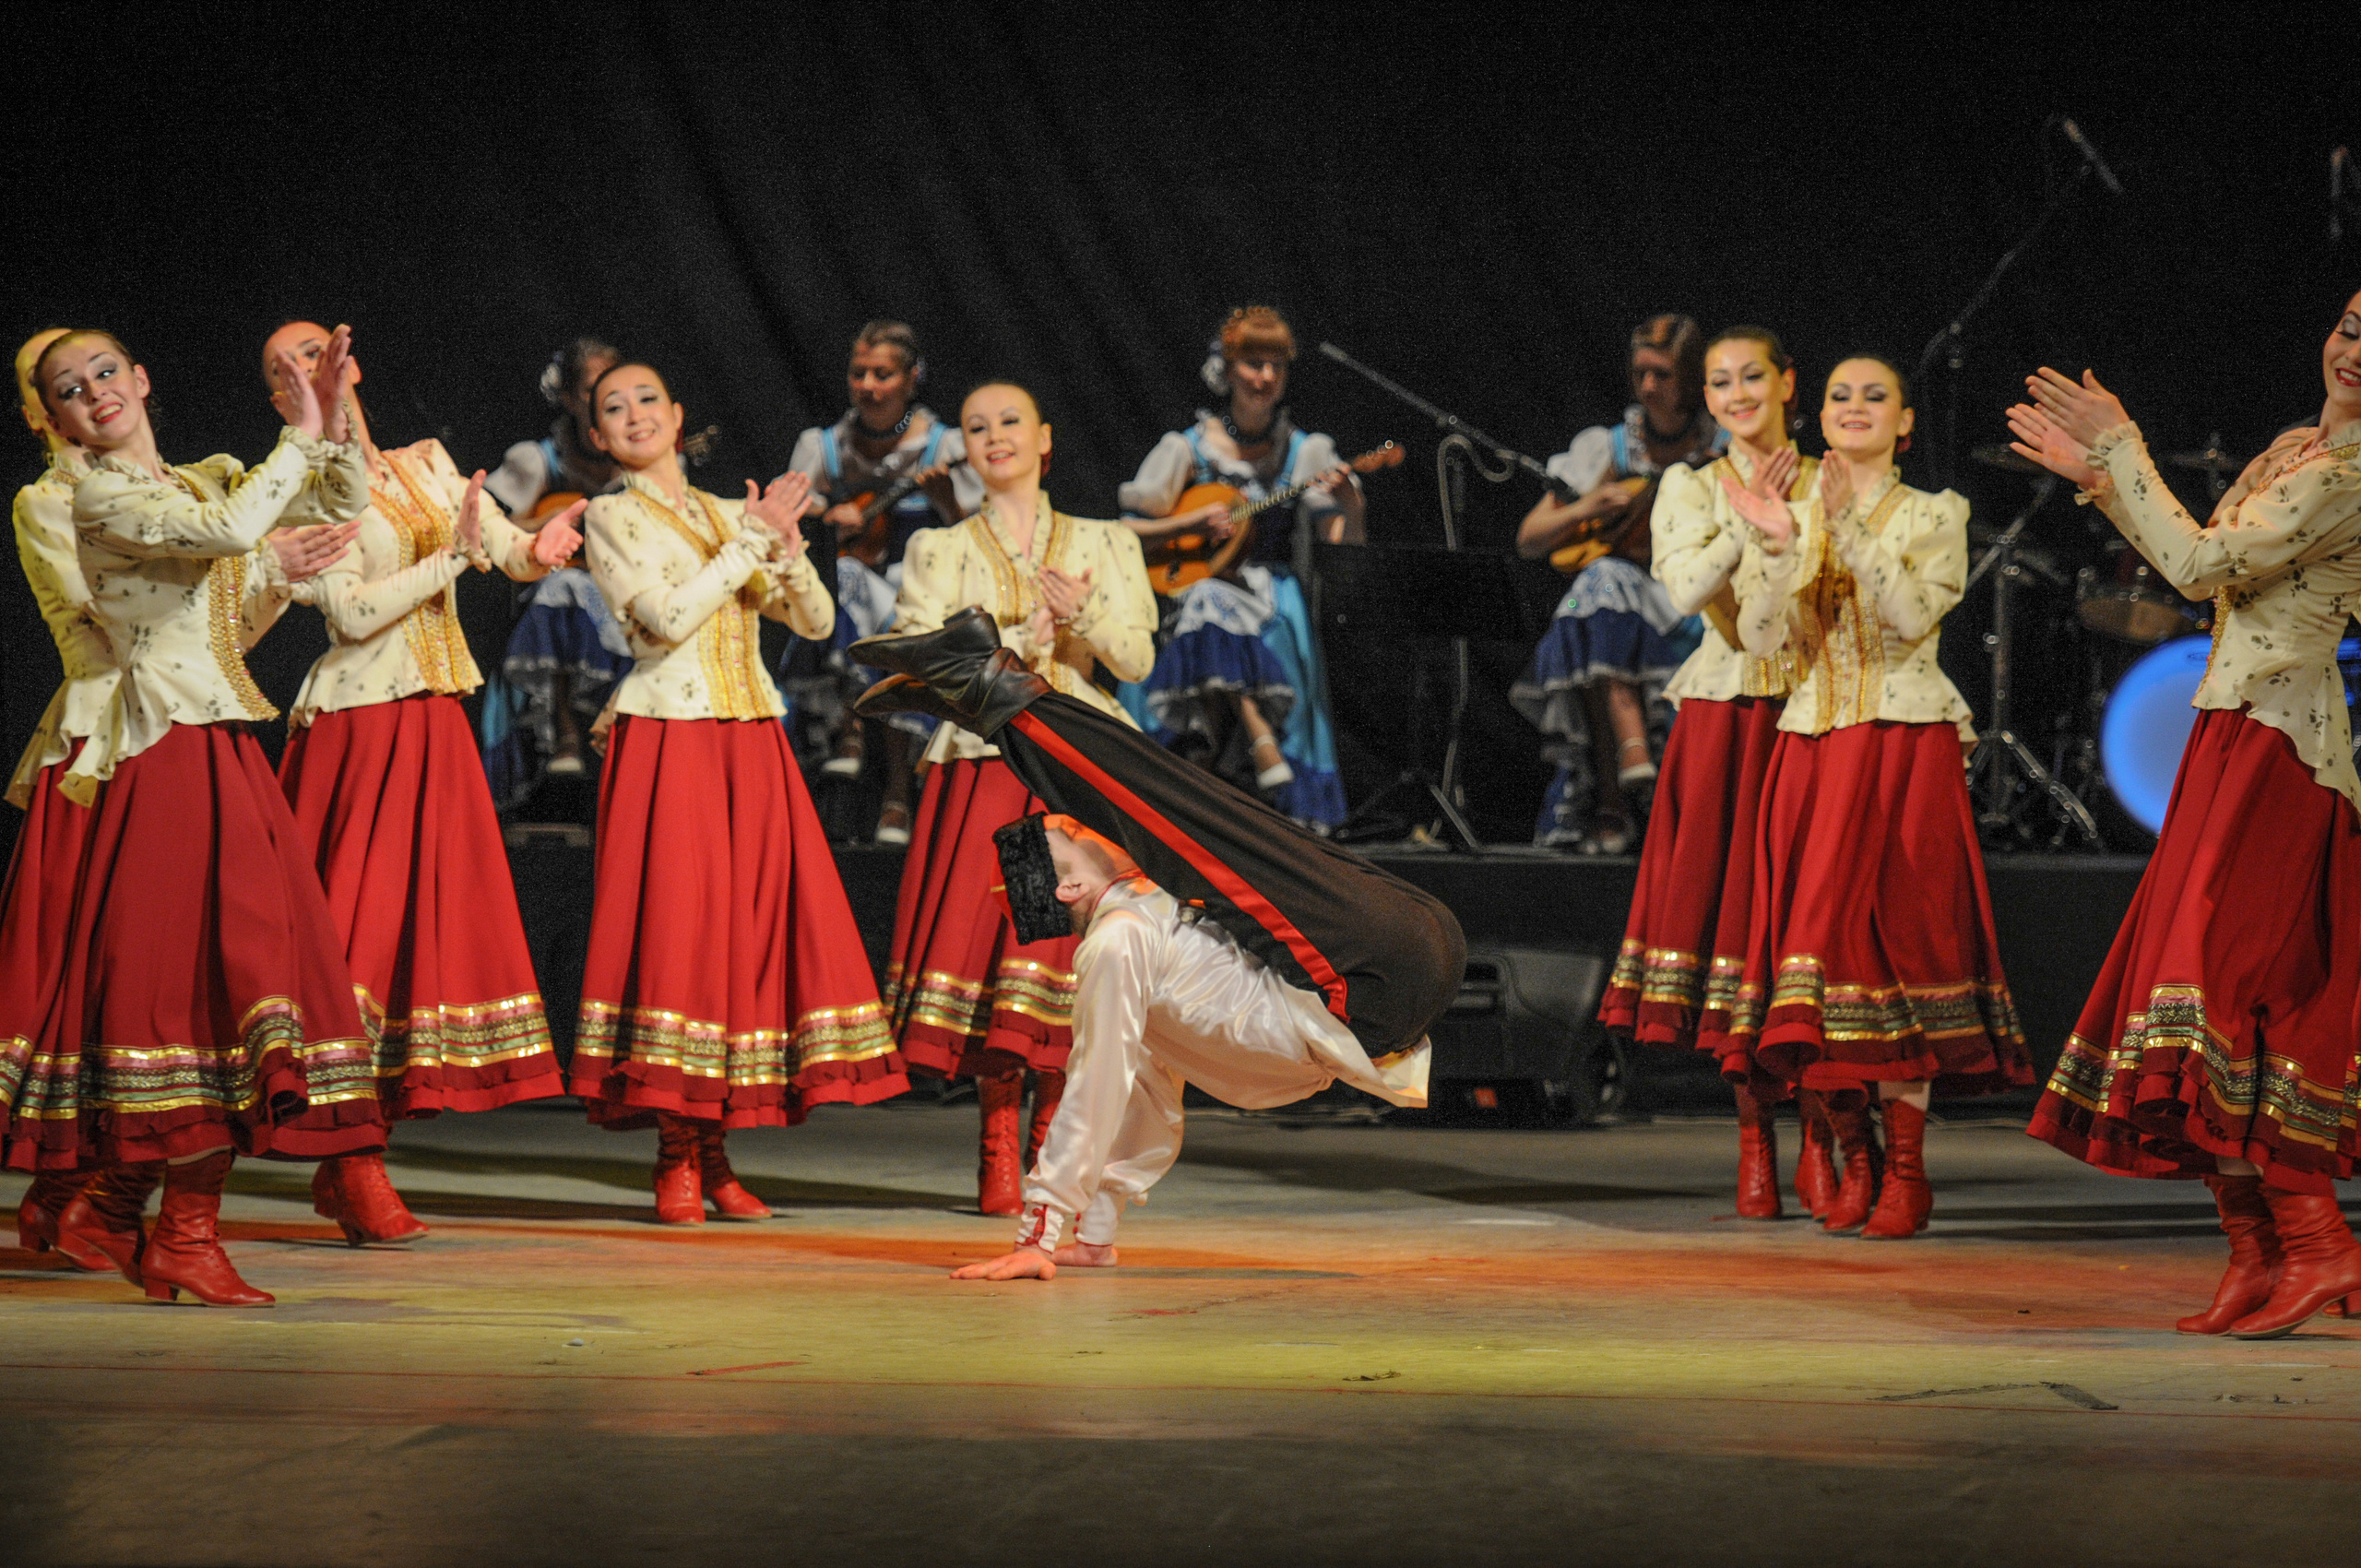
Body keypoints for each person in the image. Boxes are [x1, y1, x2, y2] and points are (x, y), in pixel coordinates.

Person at [841, 606, 1462, 1277]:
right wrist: (1042, 1230)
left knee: (1189, 811)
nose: (1081, 828)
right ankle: (985, 687)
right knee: (1170, 809)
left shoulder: (1145, 919)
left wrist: (1099, 1233)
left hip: (1394, 951)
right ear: (1068, 891)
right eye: (1072, 838)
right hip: (1363, 987)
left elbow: (1147, 1096)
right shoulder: (1117, 943)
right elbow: (1101, 1083)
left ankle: (980, 700)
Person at [4, 327, 384, 1306]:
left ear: (142, 376)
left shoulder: (202, 478)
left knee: (255, 974)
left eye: (104, 372)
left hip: (216, 736)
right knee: (191, 984)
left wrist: (330, 419)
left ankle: (151, 1217)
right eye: (67, 388)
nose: (93, 391)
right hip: (157, 743)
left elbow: (336, 505)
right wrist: (297, 438)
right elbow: (228, 543)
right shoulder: (94, 493)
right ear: (54, 418)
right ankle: (154, 1219)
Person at [2015, 290, 2361, 1337]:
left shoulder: (2352, 474)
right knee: (2181, 993)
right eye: (2351, 324)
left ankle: (2317, 1244)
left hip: (2280, 745)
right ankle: (2258, 1253)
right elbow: (2206, 563)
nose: (2356, 350)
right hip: (2232, 729)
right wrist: (2104, 484)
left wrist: (2122, 452)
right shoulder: (2298, 446)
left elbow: (2203, 564)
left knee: (2216, 982)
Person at [260, 320, 587, 1246]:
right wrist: (458, 557)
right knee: (351, 948)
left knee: (413, 945)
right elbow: (356, 615)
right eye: (285, 369)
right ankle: (352, 1160)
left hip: (435, 718)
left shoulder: (424, 460)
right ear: (280, 401)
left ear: (352, 365)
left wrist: (543, 544)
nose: (309, 371)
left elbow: (506, 544)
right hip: (361, 727)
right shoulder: (294, 494)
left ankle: (358, 1152)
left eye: (319, 353)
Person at [569, 359, 905, 1223]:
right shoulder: (608, 515)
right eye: (615, 408)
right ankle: (677, 1154)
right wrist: (752, 543)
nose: (636, 414)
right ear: (598, 435)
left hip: (750, 734)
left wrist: (785, 552)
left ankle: (717, 1152)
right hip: (670, 739)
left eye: (649, 399)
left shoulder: (727, 512)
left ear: (678, 416)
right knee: (683, 939)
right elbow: (664, 622)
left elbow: (819, 623)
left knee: (741, 942)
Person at [1719, 354, 2031, 1240]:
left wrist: (1848, 527)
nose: (1854, 407)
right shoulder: (1791, 512)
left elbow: (1910, 617)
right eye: (1839, 395)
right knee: (1814, 949)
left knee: (1900, 941)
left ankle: (1908, 1170)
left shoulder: (1937, 513)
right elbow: (1760, 637)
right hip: (1813, 745)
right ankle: (1850, 1146)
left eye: (1875, 396)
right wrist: (1776, 540)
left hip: (1900, 743)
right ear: (1817, 416)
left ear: (1904, 422)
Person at [881, 379, 1157, 1215]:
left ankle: (1048, 1141)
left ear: (1044, 438)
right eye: (975, 426)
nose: (994, 436)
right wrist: (991, 651)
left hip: (1074, 766)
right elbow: (914, 665)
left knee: (1064, 952)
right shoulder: (939, 547)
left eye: (1009, 422)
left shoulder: (1106, 540)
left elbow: (1137, 658)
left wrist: (1087, 614)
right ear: (962, 447)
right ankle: (1001, 1140)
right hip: (994, 762)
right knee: (1010, 947)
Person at [1597, 326, 1835, 1220]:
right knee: (1736, 918)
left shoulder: (1827, 479)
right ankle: (1752, 1135)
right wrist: (1750, 523)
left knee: (1803, 922)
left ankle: (1822, 1120)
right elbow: (1682, 593)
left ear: (1786, 382)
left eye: (1751, 377)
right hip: (1728, 713)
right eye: (1719, 381)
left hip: (1816, 709)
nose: (1736, 393)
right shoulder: (1690, 484)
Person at [1116, 307, 1358, 829]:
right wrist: (1192, 528)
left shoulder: (1303, 451)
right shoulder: (1188, 449)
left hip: (1270, 600)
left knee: (1213, 603)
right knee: (1205, 597)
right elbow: (1123, 533)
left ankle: (1216, 755)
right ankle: (1255, 737)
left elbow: (1342, 552)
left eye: (1276, 365)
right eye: (1252, 363)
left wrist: (1352, 508)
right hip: (1194, 593)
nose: (1265, 377)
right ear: (1226, 369)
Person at [1513, 315, 1726, 852]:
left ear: (1691, 379)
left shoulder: (1720, 446)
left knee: (1604, 604)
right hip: (1626, 595)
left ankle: (1648, 798)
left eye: (1662, 375)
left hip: (1698, 596)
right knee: (1601, 584)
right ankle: (1618, 778)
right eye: (1640, 375)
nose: (1648, 388)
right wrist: (1588, 505)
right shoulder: (1610, 446)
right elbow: (1530, 539)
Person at [781, 321, 983, 844]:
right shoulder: (826, 447)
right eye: (859, 373)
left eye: (883, 374)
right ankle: (848, 733)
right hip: (852, 597)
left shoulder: (945, 446)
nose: (868, 385)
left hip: (917, 594)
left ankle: (897, 790)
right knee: (843, 575)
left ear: (912, 379)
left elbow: (984, 542)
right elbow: (786, 517)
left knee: (907, 618)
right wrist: (827, 513)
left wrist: (945, 505)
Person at [485, 338, 629, 791]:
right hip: (557, 592)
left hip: (624, 596)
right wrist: (547, 521)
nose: (605, 397)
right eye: (591, 388)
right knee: (564, 587)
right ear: (568, 398)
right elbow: (496, 528)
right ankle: (565, 730)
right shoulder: (539, 460)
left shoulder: (642, 459)